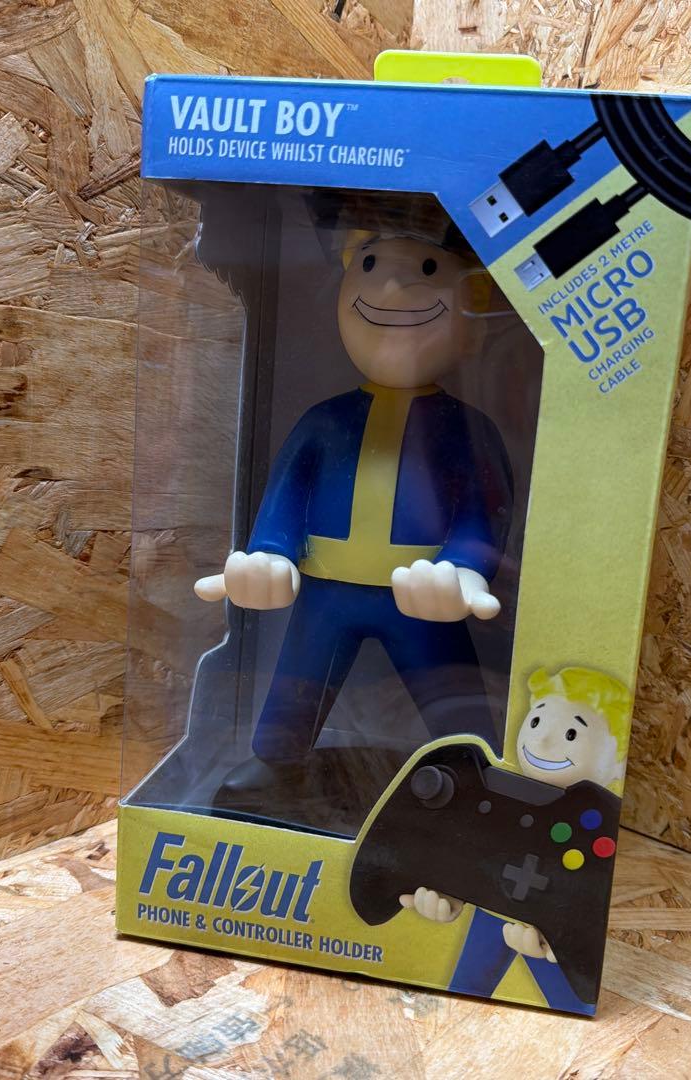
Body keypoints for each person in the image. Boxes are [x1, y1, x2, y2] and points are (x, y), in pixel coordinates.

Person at [194, 211, 512, 804]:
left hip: (421, 596)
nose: (389, 287)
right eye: (369, 266)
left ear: (473, 307)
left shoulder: (466, 431)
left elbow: (483, 511)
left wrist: (465, 570)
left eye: (425, 270)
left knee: (453, 698)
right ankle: (278, 764)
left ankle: (474, 773)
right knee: (299, 681)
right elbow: (286, 495)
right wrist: (270, 557)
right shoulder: (324, 422)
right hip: (326, 592)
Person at [400, 666, 631, 1011]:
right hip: (494, 906)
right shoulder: (499, 797)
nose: (543, 742)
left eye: (571, 734)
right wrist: (448, 893)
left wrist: (565, 940)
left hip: (550, 924)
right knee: (465, 986)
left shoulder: (595, 826)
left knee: (571, 1000)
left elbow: (588, 895)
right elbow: (471, 855)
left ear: (617, 764)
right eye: (536, 722)